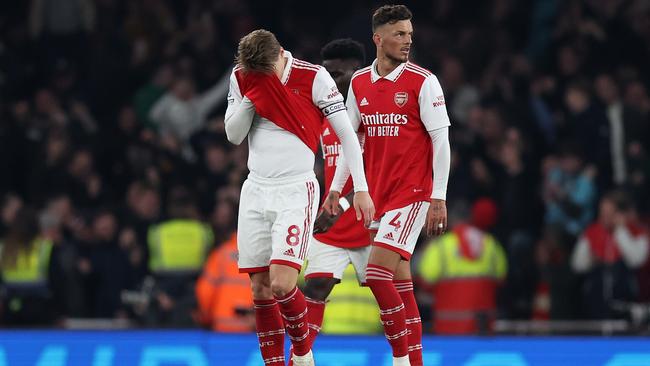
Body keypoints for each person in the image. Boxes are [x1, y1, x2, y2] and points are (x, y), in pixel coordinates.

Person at [224, 29, 374, 366]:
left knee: (282, 284)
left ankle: (303, 353)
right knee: (259, 289)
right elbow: (233, 136)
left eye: (265, 72)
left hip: (296, 191)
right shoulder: (243, 76)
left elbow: (348, 136)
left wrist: (360, 189)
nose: (260, 78)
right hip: (255, 190)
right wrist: (252, 94)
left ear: (279, 56)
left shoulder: (313, 76)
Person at [325, 5, 451, 366]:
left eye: (410, 34)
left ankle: (400, 360)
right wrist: (336, 190)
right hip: (378, 196)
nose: (407, 40)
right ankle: (415, 360)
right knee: (400, 284)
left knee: (377, 274)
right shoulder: (360, 83)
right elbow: (351, 144)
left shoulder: (423, 82)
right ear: (378, 39)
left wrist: (437, 197)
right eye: (399, 34)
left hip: (412, 194)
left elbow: (441, 142)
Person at [300, 38, 373, 350]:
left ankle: (409, 356)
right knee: (315, 286)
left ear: (356, 73)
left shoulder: (372, 117)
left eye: (337, 74)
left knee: (391, 294)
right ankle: (300, 357)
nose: (329, 81)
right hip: (333, 221)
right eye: (326, 74)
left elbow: (380, 177)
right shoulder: (325, 113)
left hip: (372, 221)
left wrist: (341, 204)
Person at [417, 198, 507, 335]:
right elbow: (502, 278)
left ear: (450, 219)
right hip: (482, 328)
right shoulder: (490, 243)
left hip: (448, 328)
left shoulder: (440, 246)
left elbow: (425, 279)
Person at [571, 191, 649, 319]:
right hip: (596, 300)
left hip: (626, 302)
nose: (604, 217)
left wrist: (620, 231)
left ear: (620, 213)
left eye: (609, 213)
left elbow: (636, 260)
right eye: (602, 212)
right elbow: (577, 265)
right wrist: (591, 259)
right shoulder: (592, 231)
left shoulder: (636, 232)